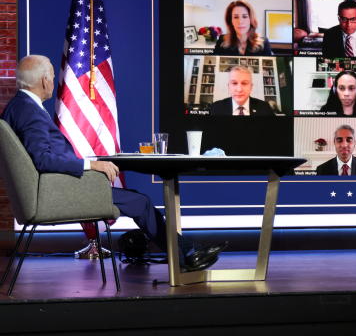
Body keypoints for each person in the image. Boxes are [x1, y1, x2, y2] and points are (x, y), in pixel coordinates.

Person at [1, 56, 225, 271]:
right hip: (59, 192)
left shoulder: (18, 107)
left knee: (137, 200)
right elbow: (43, 160)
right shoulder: (29, 111)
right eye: (51, 75)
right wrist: (90, 166)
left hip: (55, 188)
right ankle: (185, 255)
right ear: (44, 80)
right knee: (141, 202)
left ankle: (184, 252)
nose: (52, 81)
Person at [210, 65, 276, 116]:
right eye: (234, 83)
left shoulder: (264, 107)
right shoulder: (216, 108)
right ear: (228, 87)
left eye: (244, 83)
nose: (239, 89)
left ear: (251, 87)